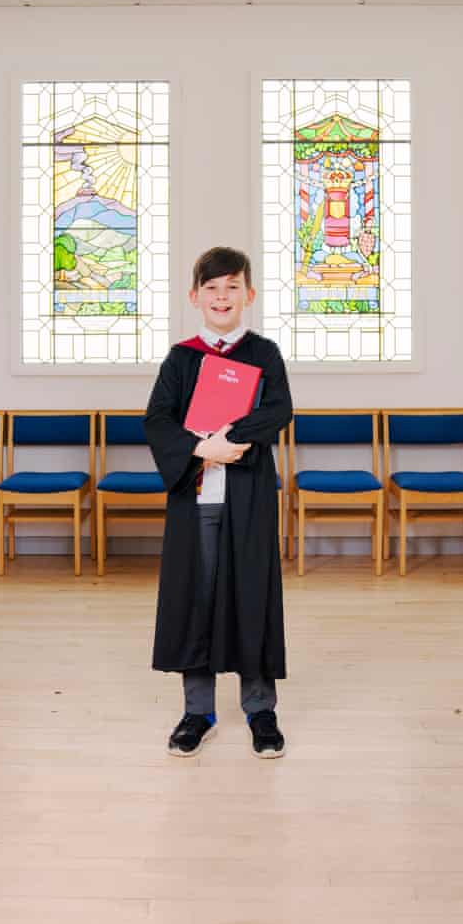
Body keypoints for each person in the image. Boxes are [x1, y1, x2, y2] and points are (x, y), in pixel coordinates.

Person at [143, 246, 293, 758]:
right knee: (196, 598)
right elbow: (157, 419)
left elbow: (279, 409)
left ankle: (260, 710)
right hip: (197, 496)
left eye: (232, 287)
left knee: (252, 594)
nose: (222, 296)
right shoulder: (181, 358)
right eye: (212, 288)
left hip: (248, 495)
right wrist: (198, 447)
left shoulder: (264, 353)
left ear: (248, 295)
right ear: (195, 297)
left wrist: (229, 434)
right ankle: (197, 711)